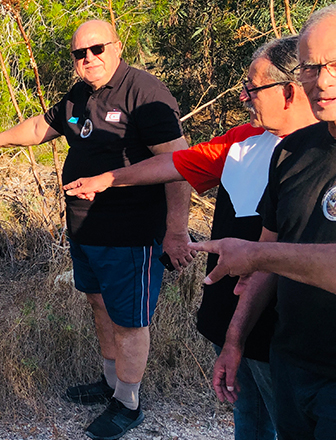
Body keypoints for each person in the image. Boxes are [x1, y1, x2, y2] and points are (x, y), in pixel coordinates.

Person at [62, 35, 317, 440]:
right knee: (247, 415)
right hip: (230, 317)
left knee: (293, 421)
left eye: (252, 89)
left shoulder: (322, 153)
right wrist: (109, 178)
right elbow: (175, 164)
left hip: (288, 329)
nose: (244, 98)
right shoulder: (241, 140)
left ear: (290, 91)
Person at [0, 20, 194, 440]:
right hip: (86, 230)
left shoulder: (145, 92)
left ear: (117, 46)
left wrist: (176, 231)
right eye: (80, 53)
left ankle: (128, 404)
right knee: (100, 305)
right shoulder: (81, 95)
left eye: (97, 48)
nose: (89, 58)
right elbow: (41, 127)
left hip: (131, 234)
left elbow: (180, 166)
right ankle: (110, 383)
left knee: (130, 320)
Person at [213, 6, 336, 438]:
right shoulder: (292, 151)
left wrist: (253, 253)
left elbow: (262, 253)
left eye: (335, 64)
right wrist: (234, 339)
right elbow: (266, 258)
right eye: (311, 67)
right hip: (292, 361)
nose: (321, 80)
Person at [189, 238, 336, 294]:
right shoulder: (285, 169)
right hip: (286, 342)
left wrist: (253, 255)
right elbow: (269, 236)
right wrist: (234, 339)